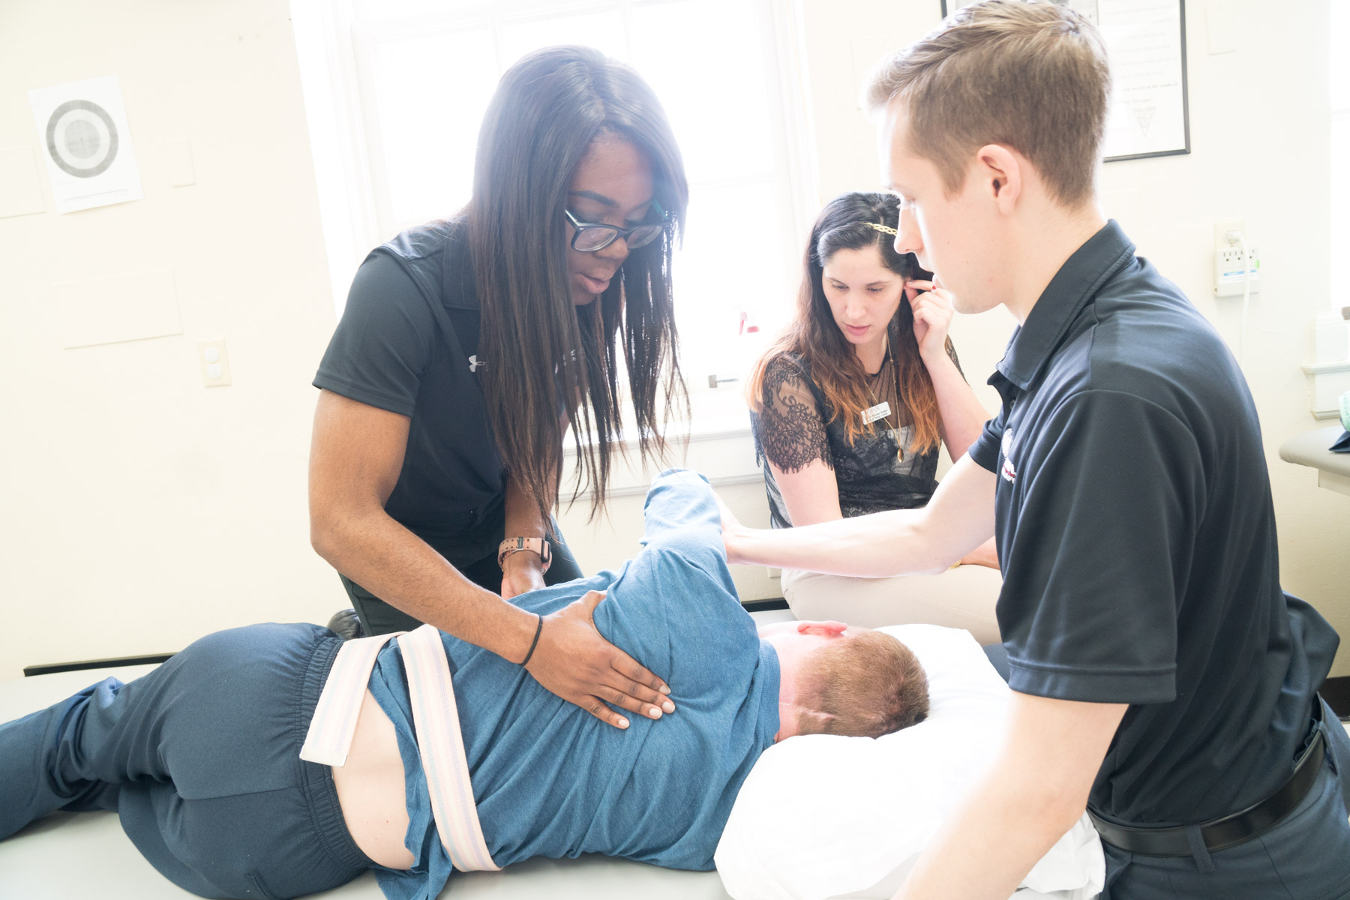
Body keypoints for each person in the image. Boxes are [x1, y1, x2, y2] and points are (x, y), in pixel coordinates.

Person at [719, 3, 1350, 898]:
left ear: (995, 178)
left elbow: (1038, 793)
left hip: (1218, 860)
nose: (906, 237)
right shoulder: (1083, 333)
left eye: (914, 199)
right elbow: (925, 538)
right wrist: (741, 544)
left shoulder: (1107, 397)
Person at [1, 470, 928, 900]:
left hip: (271, 701)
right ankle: (120, 772)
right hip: (280, 855)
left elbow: (678, 488)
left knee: (90, 731)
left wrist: (734, 549)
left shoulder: (708, 615)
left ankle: (95, 756)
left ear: (824, 630)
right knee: (127, 785)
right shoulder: (720, 823)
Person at [308, 45, 691, 730]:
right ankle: (361, 639)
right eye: (595, 219)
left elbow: (534, 438)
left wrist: (521, 551)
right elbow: (340, 521)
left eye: (636, 225)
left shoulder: (587, 280)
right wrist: (530, 640)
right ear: (519, 190)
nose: (616, 251)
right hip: (399, 543)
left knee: (606, 676)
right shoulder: (400, 289)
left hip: (497, 522)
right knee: (484, 727)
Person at [746, 191, 1000, 643]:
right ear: (818, 277)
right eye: (838, 286)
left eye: (875, 289)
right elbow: (825, 536)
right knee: (1035, 607)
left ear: (910, 283)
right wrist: (967, 549)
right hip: (831, 569)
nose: (853, 310)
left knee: (1058, 583)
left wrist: (935, 355)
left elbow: (983, 466)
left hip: (929, 542)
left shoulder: (917, 342)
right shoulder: (785, 372)